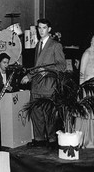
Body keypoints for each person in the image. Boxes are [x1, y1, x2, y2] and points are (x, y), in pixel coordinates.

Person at [21, 18, 66, 148]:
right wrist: (29, 76)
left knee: (49, 115)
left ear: (49, 29)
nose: (41, 30)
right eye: (39, 28)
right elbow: (37, 66)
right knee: (36, 113)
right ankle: (39, 139)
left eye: (44, 28)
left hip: (48, 85)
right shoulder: (38, 45)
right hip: (36, 85)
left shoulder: (55, 45)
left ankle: (52, 140)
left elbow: (62, 66)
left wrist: (47, 70)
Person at [75, 31, 94, 148]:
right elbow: (81, 73)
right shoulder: (86, 53)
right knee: (87, 115)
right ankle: (86, 141)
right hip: (87, 88)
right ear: (91, 40)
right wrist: (81, 90)